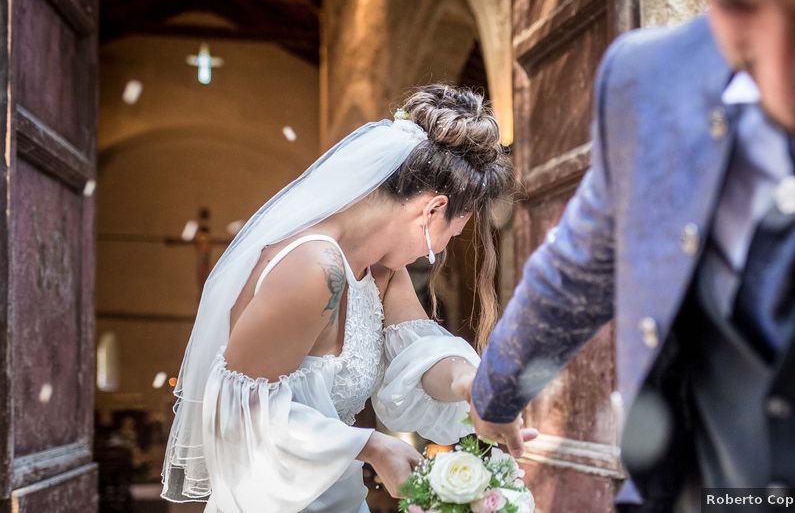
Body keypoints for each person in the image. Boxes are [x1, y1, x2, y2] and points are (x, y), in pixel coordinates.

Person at [470, 0, 795, 510]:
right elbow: (579, 270)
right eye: (739, 3)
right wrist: (496, 392)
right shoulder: (648, 80)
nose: (787, 72)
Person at [160, 84, 531, 512]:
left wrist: (473, 385)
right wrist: (371, 447)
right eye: (451, 232)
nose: (441, 249)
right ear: (432, 211)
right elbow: (236, 414)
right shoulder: (315, 269)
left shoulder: (380, 270)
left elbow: (423, 353)